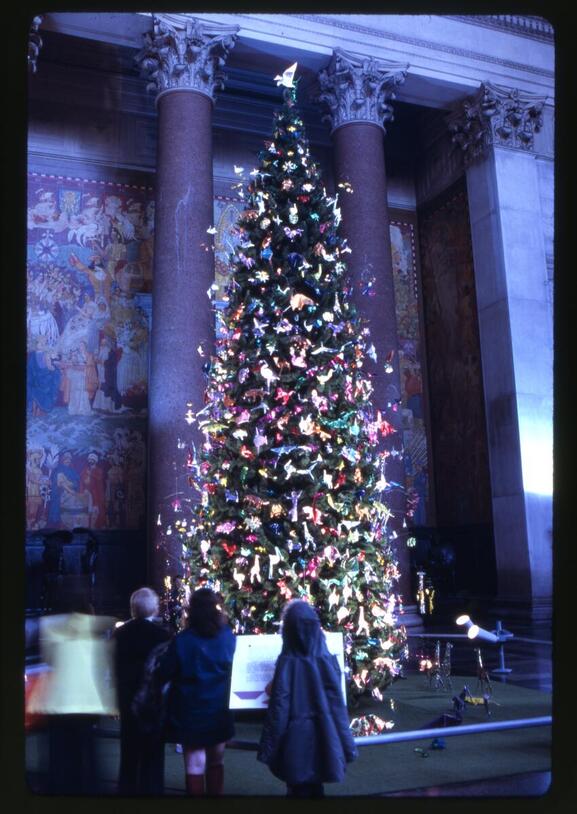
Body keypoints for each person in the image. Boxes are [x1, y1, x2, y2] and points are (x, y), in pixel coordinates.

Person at [257, 599, 358, 798]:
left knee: (297, 788)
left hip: (295, 739)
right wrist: (346, 744)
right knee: (317, 786)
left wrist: (269, 747)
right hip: (325, 732)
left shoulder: (287, 662)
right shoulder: (327, 659)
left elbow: (279, 707)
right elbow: (337, 704)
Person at [27, 592, 117, 794]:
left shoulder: (51, 627)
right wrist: (109, 700)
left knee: (59, 756)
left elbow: (49, 660)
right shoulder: (95, 629)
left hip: (59, 700)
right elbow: (101, 665)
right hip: (87, 701)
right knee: (87, 756)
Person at [156, 587, 236, 796]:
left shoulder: (183, 640)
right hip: (219, 707)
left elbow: (165, 672)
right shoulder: (227, 636)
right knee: (217, 761)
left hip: (190, 709)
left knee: (194, 765)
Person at [113, 587, 171, 795]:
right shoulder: (163, 636)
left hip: (128, 700)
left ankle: (126, 792)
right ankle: (153, 793)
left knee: (128, 751)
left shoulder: (119, 634)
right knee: (153, 754)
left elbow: (114, 668)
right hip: (153, 702)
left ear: (132, 609)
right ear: (154, 609)